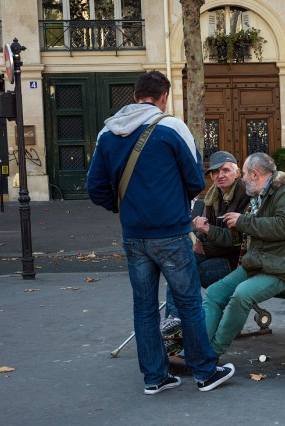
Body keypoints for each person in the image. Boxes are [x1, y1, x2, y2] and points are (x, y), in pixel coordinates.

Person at [86, 71, 234, 394]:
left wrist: (123, 206)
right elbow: (196, 180)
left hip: (133, 235)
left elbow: (94, 187)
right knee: (190, 301)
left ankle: (155, 377)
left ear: (136, 95)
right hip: (170, 232)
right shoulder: (171, 128)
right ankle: (205, 372)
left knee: (144, 305)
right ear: (163, 97)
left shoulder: (107, 134)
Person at [200, 152, 285, 357]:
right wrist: (210, 231)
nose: (242, 178)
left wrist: (243, 221)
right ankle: (198, 350)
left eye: (244, 174)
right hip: (262, 263)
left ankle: (212, 353)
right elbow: (239, 237)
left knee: (242, 295)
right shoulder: (259, 195)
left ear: (254, 174)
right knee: (214, 293)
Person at [164, 151, 250, 319]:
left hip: (237, 262)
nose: (220, 175)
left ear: (237, 172)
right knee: (178, 268)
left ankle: (183, 322)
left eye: (225, 170)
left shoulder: (245, 195)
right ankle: (173, 322)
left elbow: (238, 242)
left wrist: (206, 238)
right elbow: (208, 231)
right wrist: (199, 235)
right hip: (217, 252)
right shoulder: (214, 194)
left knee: (189, 274)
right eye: (215, 172)